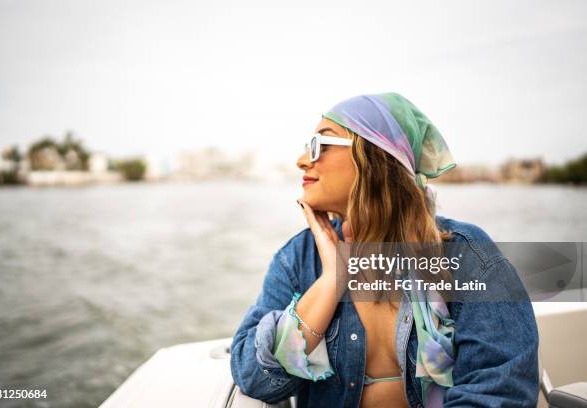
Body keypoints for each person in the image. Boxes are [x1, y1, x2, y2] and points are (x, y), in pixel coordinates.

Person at [230, 93, 539, 408]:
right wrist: (331, 280)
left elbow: (498, 393)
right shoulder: (297, 259)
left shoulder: (466, 256)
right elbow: (253, 379)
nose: (302, 161)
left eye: (320, 145)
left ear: (375, 158)